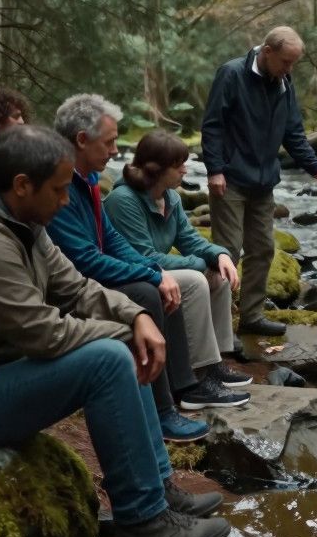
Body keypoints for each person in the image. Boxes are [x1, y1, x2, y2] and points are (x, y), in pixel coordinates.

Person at [0, 125, 230, 537]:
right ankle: (143, 524)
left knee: (120, 341)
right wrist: (124, 332)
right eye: (59, 190)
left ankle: (158, 491)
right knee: (109, 357)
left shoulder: (22, 220)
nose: (67, 201)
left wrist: (136, 315)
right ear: (23, 186)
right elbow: (44, 334)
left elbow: (78, 289)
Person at [47, 94, 252, 430]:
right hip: (70, 289)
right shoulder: (71, 186)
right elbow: (86, 259)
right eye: (110, 142)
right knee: (153, 289)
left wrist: (213, 255)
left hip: (93, 275)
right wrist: (154, 273)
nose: (115, 151)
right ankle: (177, 394)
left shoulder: (91, 180)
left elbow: (112, 239)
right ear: (82, 140)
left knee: (164, 281)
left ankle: (206, 370)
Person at [202, 26, 317, 336]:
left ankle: (251, 317)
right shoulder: (232, 74)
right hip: (231, 179)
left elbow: (293, 133)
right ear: (267, 52)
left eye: (293, 64)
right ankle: (219, 332)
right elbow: (212, 126)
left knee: (263, 249)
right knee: (226, 251)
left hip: (264, 183)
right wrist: (214, 170)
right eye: (285, 62)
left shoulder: (283, 82)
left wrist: (316, 168)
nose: (289, 70)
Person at [103, 131, 245, 389]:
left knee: (219, 275)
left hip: (154, 270)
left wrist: (219, 254)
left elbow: (190, 240)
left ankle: (215, 362)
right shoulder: (122, 201)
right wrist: (201, 264)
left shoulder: (171, 198)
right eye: (178, 164)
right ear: (155, 168)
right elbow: (144, 257)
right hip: (130, 277)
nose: (185, 169)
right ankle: (199, 371)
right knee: (194, 280)